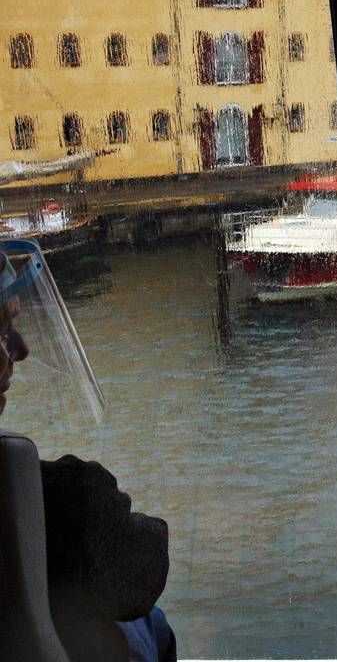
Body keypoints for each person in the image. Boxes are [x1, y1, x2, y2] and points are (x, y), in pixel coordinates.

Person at [1, 245, 177, 662]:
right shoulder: (57, 502)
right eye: (2, 328)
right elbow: (143, 570)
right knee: (145, 625)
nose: (21, 350)